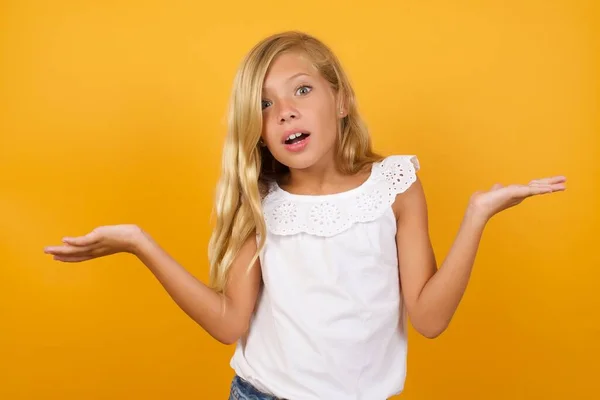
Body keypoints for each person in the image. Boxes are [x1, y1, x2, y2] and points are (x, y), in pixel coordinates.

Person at [43, 31, 566, 399]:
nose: (285, 110)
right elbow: (229, 324)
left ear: (339, 100)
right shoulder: (262, 204)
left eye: (301, 89)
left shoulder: (396, 186)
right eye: (265, 105)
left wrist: (477, 216)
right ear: (259, 128)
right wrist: (141, 243)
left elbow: (428, 319)